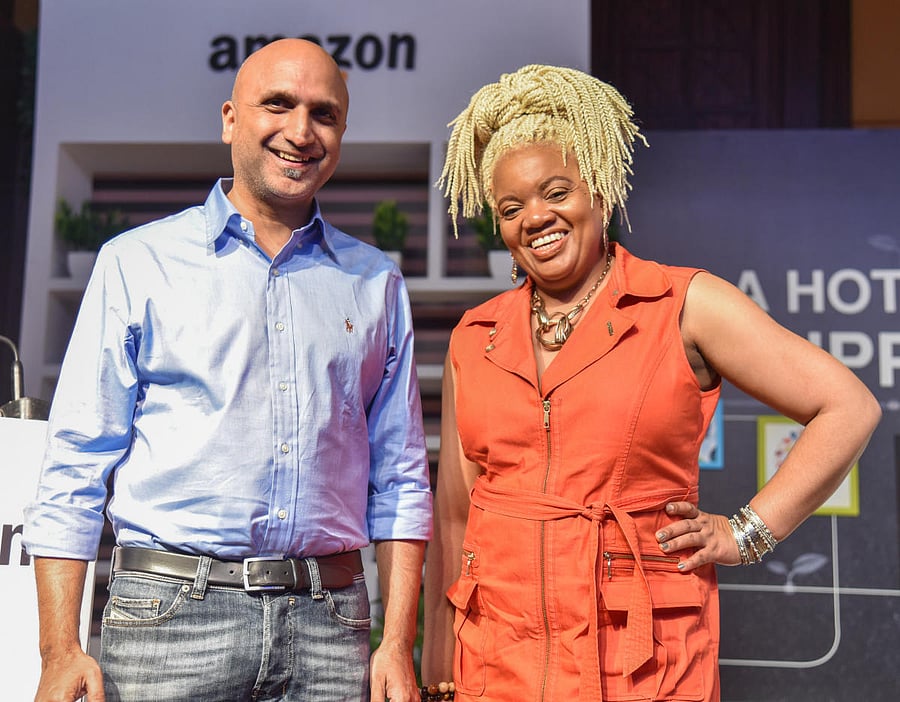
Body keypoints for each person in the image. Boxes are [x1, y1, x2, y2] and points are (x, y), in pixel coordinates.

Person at [421, 64, 881, 701]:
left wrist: (746, 533)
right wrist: (438, 666)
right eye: (511, 207)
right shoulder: (478, 335)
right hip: (496, 670)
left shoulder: (684, 304)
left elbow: (847, 407)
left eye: (557, 191)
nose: (536, 217)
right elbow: (454, 514)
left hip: (639, 671)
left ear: (599, 192)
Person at [24, 38, 432, 702]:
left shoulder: (375, 283)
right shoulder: (137, 262)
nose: (301, 131)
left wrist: (395, 644)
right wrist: (60, 650)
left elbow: (402, 475)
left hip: (331, 627)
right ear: (229, 119)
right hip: (169, 621)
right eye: (278, 104)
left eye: (323, 114)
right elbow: (76, 462)